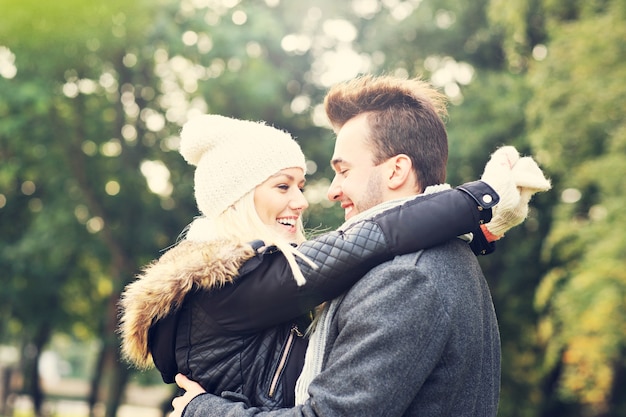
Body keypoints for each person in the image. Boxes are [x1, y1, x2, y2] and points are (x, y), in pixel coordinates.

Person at [169, 75, 551, 417]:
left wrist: (200, 409)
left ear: (396, 170)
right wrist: (481, 212)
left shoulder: (406, 278)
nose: (330, 192)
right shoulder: (234, 282)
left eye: (343, 171)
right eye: (283, 186)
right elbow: (363, 243)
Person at [118, 112, 507, 407]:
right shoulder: (233, 285)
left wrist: (475, 232)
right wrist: (481, 199)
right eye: (282, 186)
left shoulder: (250, 275)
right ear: (237, 199)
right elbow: (373, 239)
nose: (302, 202)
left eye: (300, 186)